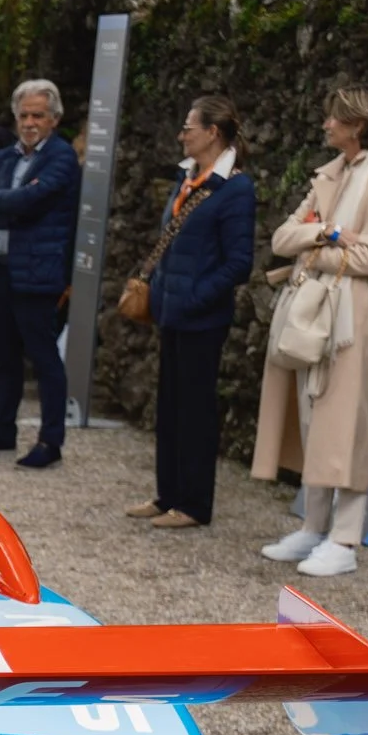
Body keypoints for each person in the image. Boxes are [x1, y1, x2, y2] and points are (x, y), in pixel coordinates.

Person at [253, 83, 368, 577]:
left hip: (352, 313)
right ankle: (312, 527)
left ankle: (343, 539)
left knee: (347, 420)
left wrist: (311, 244)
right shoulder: (330, 173)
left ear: (359, 125)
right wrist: (328, 233)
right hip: (311, 304)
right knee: (309, 414)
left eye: (335, 119)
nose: (326, 125)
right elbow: (283, 238)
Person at [124, 97, 257, 529]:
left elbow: (239, 262)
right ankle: (168, 494)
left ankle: (195, 503)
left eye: (190, 127)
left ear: (212, 133)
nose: (183, 135)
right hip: (172, 310)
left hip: (201, 315)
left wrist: (198, 296)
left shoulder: (235, 188)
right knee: (170, 407)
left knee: (196, 411)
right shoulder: (188, 178)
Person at [0, 78, 79, 468]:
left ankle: (50, 441)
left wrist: (0, 201)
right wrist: (7, 202)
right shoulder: (6, 158)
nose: (29, 122)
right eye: (24, 115)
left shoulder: (60, 158)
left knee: (43, 359)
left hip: (38, 272)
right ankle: (2, 430)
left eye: (37, 115)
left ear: (54, 119)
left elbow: (34, 200)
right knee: (4, 356)